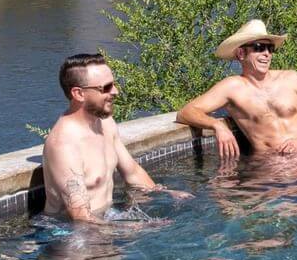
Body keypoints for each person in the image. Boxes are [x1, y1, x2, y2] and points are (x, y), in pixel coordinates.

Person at [42, 53, 192, 223]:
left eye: (114, 84)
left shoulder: (105, 124)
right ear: (79, 93)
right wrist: (132, 228)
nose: (115, 91)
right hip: (67, 231)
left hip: (107, 218)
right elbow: (80, 216)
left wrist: (165, 193)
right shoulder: (64, 144)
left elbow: (133, 172)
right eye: (106, 87)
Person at [176, 19, 297, 160]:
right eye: (259, 47)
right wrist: (217, 126)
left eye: (270, 48)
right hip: (273, 162)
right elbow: (185, 112)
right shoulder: (232, 87)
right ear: (241, 53)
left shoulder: (291, 78)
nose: (266, 53)